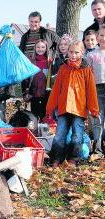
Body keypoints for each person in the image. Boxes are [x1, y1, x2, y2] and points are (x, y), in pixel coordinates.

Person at [46, 41, 99, 167]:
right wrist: (50, 107)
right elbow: (56, 90)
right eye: (71, 52)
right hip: (63, 108)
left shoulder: (86, 70)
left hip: (79, 109)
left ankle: (73, 159)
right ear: (68, 52)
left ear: (82, 52)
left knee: (77, 135)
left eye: (76, 52)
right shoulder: (63, 68)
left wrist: (94, 109)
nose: (73, 55)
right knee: (59, 134)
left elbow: (91, 91)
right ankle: (56, 158)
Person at [87, 27, 105, 156]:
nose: (103, 38)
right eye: (101, 35)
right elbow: (88, 75)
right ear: (97, 37)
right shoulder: (92, 55)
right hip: (97, 88)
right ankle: (97, 149)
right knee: (98, 119)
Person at [25, 39, 50, 121]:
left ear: (46, 48)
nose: (40, 49)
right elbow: (26, 79)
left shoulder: (49, 62)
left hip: (46, 95)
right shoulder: (31, 62)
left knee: (45, 118)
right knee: (34, 118)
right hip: (34, 95)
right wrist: (26, 92)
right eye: (38, 47)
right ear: (35, 48)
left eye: (43, 47)